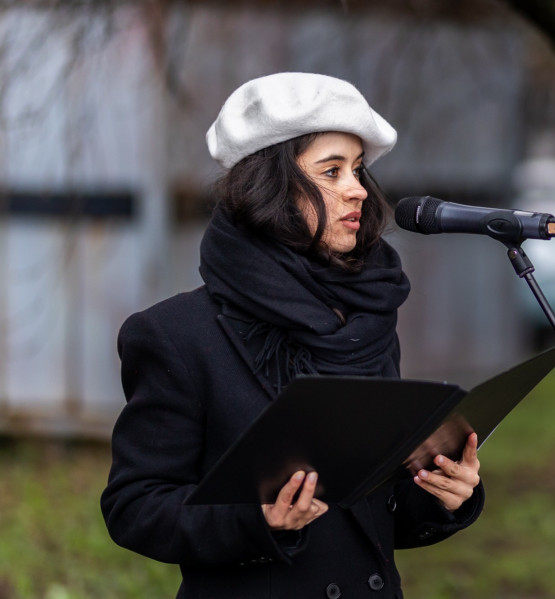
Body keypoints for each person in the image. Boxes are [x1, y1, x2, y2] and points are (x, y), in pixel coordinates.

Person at [101, 72, 485, 599]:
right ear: (271, 187)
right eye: (331, 170)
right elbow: (134, 507)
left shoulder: (367, 317)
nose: (357, 189)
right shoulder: (176, 335)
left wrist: (443, 494)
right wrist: (257, 521)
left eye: (358, 169)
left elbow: (366, 511)